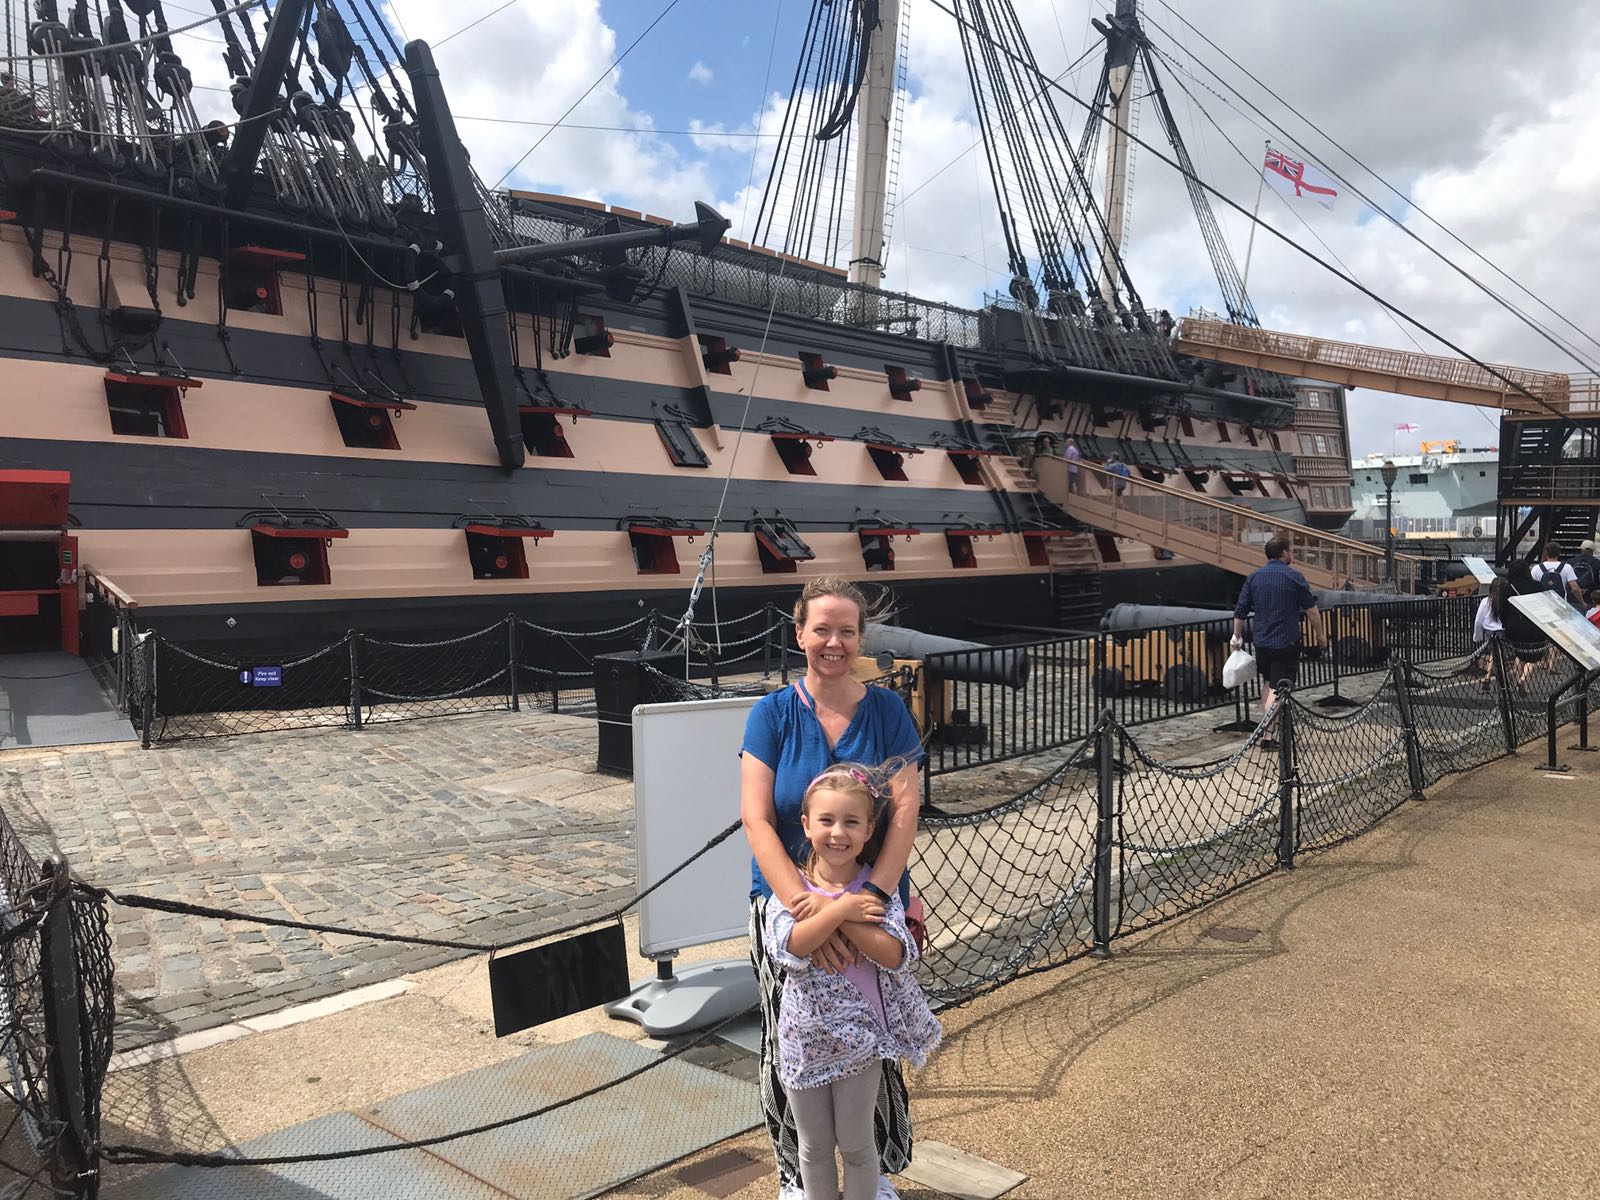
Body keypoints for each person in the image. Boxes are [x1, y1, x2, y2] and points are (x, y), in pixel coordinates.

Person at [742, 577, 925, 1200]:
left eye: (846, 631)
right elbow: (757, 818)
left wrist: (869, 900)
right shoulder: (771, 714)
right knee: (788, 1043)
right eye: (821, 629)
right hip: (786, 900)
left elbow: (904, 809)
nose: (833, 642)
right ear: (800, 634)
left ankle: (873, 1172)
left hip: (871, 895)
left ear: (860, 638)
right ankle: (799, 1175)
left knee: (873, 1038)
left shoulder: (887, 711)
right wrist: (805, 906)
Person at [764, 762, 941, 1200]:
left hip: (860, 1040)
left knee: (858, 1146)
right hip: (804, 1037)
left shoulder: (875, 889)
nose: (837, 833)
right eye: (826, 820)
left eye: (850, 822)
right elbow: (791, 945)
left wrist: (838, 912)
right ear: (806, 824)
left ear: (868, 830)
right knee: (814, 1148)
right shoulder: (793, 890)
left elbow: (895, 953)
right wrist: (842, 909)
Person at [1230, 537, 1327, 745]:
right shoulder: (1294, 576)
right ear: (1284, 553)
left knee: (1268, 682)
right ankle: (1267, 735)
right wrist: (1320, 634)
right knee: (1278, 688)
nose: (1292, 554)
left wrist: (1236, 636)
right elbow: (1311, 609)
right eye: (1290, 551)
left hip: (1261, 641)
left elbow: (1240, 610)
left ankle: (1269, 730)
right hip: (1286, 641)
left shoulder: (1254, 577)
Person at [1472, 577, 1506, 688]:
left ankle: (1488, 676)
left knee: (1493, 652)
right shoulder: (1505, 601)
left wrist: (1477, 636)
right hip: (1502, 631)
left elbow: (1478, 620)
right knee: (1498, 654)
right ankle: (1498, 678)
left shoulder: (1485, 601)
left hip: (1489, 632)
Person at [1530, 541, 1585, 610]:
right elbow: (1575, 588)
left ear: (1546, 553)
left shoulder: (1536, 568)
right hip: (1561, 604)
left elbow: (1532, 587)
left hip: (1542, 604)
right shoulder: (1567, 567)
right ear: (1559, 553)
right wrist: (1582, 603)